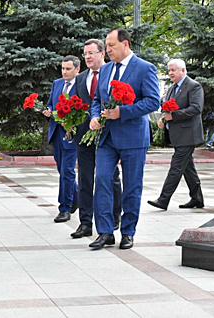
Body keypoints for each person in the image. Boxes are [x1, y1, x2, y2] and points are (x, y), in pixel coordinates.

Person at [89, 28, 160, 250]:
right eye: (106, 46)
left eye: (111, 46)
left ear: (125, 44)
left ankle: (128, 232)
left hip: (133, 138)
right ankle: (105, 231)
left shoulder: (144, 68)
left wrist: (123, 112)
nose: (107, 50)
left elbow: (152, 102)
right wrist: (94, 117)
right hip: (106, 137)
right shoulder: (106, 69)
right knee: (101, 181)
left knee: (131, 187)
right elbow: (97, 100)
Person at [71, 39, 122, 239]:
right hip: (84, 136)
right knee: (84, 179)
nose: (88, 57)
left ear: (102, 54)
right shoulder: (81, 77)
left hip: (108, 135)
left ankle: (114, 216)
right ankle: (85, 223)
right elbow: (77, 104)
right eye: (85, 54)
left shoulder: (112, 74)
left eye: (92, 53)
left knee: (110, 178)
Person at [148, 59, 205, 210]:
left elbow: (196, 108)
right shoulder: (172, 88)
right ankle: (197, 198)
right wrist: (163, 119)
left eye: (174, 70)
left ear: (183, 70)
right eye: (169, 70)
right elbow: (168, 109)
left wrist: (173, 116)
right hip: (177, 135)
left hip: (189, 134)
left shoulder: (194, 86)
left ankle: (163, 199)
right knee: (187, 167)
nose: (170, 73)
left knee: (176, 167)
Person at [43, 55, 80, 223]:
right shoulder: (57, 84)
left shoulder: (81, 85)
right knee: (62, 170)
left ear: (77, 69)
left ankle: (64, 208)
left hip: (72, 134)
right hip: (57, 132)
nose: (64, 72)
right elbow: (51, 103)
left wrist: (73, 123)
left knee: (67, 171)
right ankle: (76, 198)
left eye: (68, 69)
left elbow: (84, 109)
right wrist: (48, 110)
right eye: (63, 68)